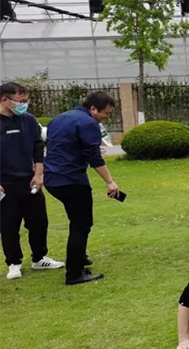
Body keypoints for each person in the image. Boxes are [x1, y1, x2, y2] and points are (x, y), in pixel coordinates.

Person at [43, 90, 121, 285]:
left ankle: (79, 256)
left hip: (52, 179)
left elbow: (64, 146)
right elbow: (94, 157)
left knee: (76, 220)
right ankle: (75, 273)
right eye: (106, 113)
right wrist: (110, 181)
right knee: (81, 224)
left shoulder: (59, 118)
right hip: (71, 180)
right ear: (93, 108)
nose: (107, 117)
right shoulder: (88, 123)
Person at [0, 81, 64, 280]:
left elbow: (38, 146)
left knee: (38, 221)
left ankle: (39, 257)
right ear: (5, 100)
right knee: (9, 225)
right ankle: (14, 263)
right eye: (20, 101)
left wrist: (38, 173)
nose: (24, 105)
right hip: (4, 184)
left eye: (26, 101)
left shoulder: (28, 120)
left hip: (29, 180)